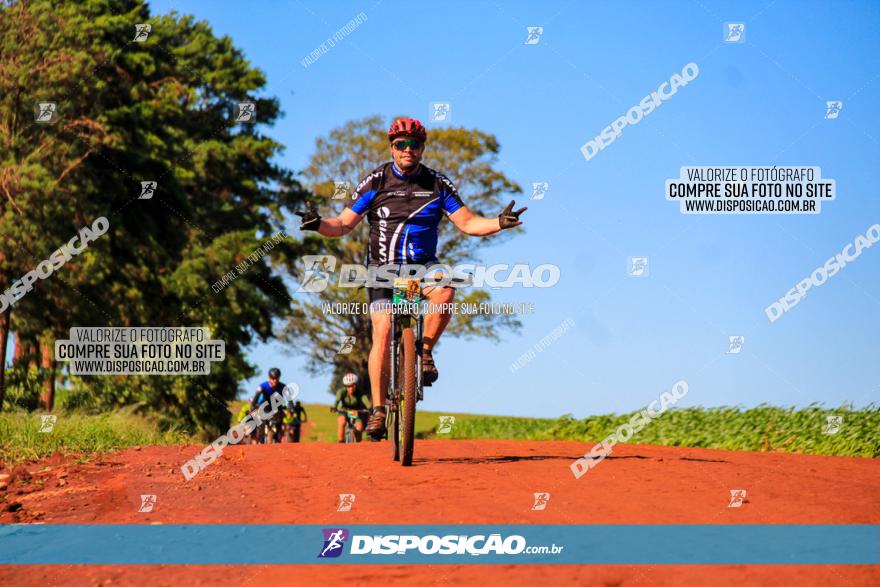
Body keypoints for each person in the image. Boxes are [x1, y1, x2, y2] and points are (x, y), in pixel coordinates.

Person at [296, 117, 526, 439]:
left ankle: (425, 351)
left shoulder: (437, 184)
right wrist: (318, 224)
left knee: (446, 289)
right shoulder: (375, 181)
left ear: (422, 149)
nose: (408, 150)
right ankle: (378, 410)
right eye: (401, 144)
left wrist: (499, 222)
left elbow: (469, 223)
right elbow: (344, 224)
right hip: (382, 269)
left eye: (414, 144)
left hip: (422, 268)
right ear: (392, 147)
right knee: (384, 327)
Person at [250, 367, 287, 443]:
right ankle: (261, 440)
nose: (275, 381)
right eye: (273, 378)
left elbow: (289, 399)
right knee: (261, 422)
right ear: (269, 378)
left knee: (281, 417)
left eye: (277, 378)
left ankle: (277, 438)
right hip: (265, 407)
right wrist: (253, 405)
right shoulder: (263, 386)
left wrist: (291, 407)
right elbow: (256, 396)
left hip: (277, 407)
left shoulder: (283, 386)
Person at [332, 372, 371, 443]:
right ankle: (341, 442)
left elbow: (365, 400)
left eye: (352, 386)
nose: (350, 388)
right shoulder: (341, 392)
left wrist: (370, 408)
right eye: (348, 386)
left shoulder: (360, 393)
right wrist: (334, 407)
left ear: (355, 385)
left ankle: (358, 444)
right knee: (342, 422)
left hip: (356, 412)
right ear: (345, 386)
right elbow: (337, 401)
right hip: (343, 411)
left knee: (359, 427)